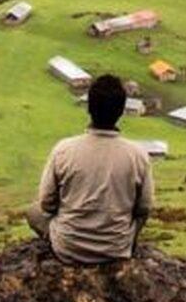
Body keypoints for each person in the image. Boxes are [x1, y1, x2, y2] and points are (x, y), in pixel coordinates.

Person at [26, 74, 154, 264]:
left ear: (89, 107)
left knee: (32, 211)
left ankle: (68, 239)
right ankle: (124, 244)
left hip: (68, 250)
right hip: (116, 250)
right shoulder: (138, 155)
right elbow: (144, 207)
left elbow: (47, 203)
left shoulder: (64, 149)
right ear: (121, 110)